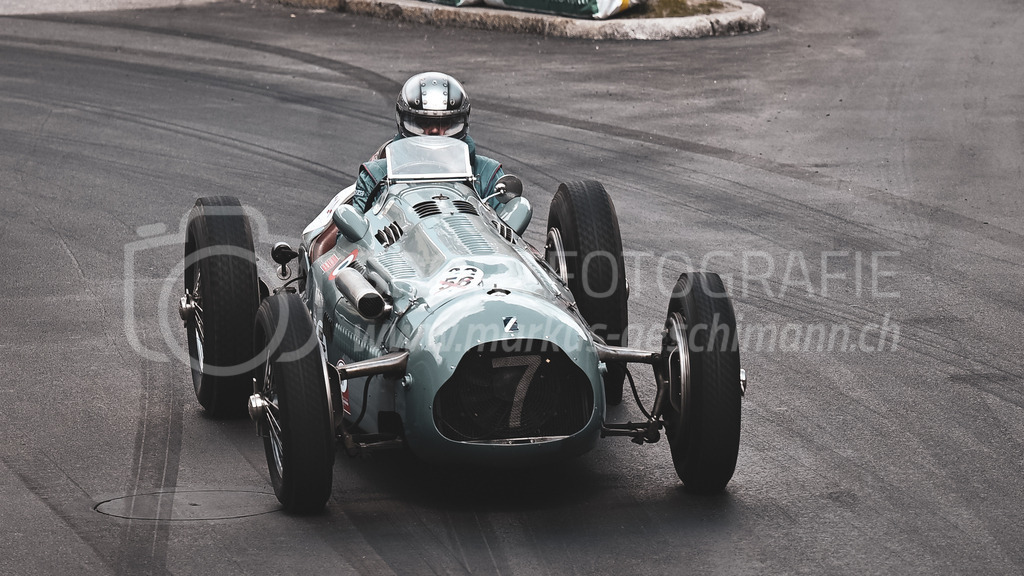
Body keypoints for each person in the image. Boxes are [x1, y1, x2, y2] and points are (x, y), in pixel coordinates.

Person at [352, 72, 505, 212]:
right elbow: (357, 228)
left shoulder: (488, 174)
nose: (434, 131)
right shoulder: (375, 174)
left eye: (445, 123)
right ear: (403, 119)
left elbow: (507, 228)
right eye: (424, 122)